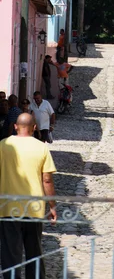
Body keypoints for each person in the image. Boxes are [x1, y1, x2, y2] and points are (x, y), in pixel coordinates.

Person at [0, 113, 56, 279]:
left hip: (7, 207)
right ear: (35, 128)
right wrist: (52, 206)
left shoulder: (3, 145)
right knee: (34, 251)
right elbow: (47, 180)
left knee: (10, 253)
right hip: (34, 208)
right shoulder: (41, 147)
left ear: (15, 126)